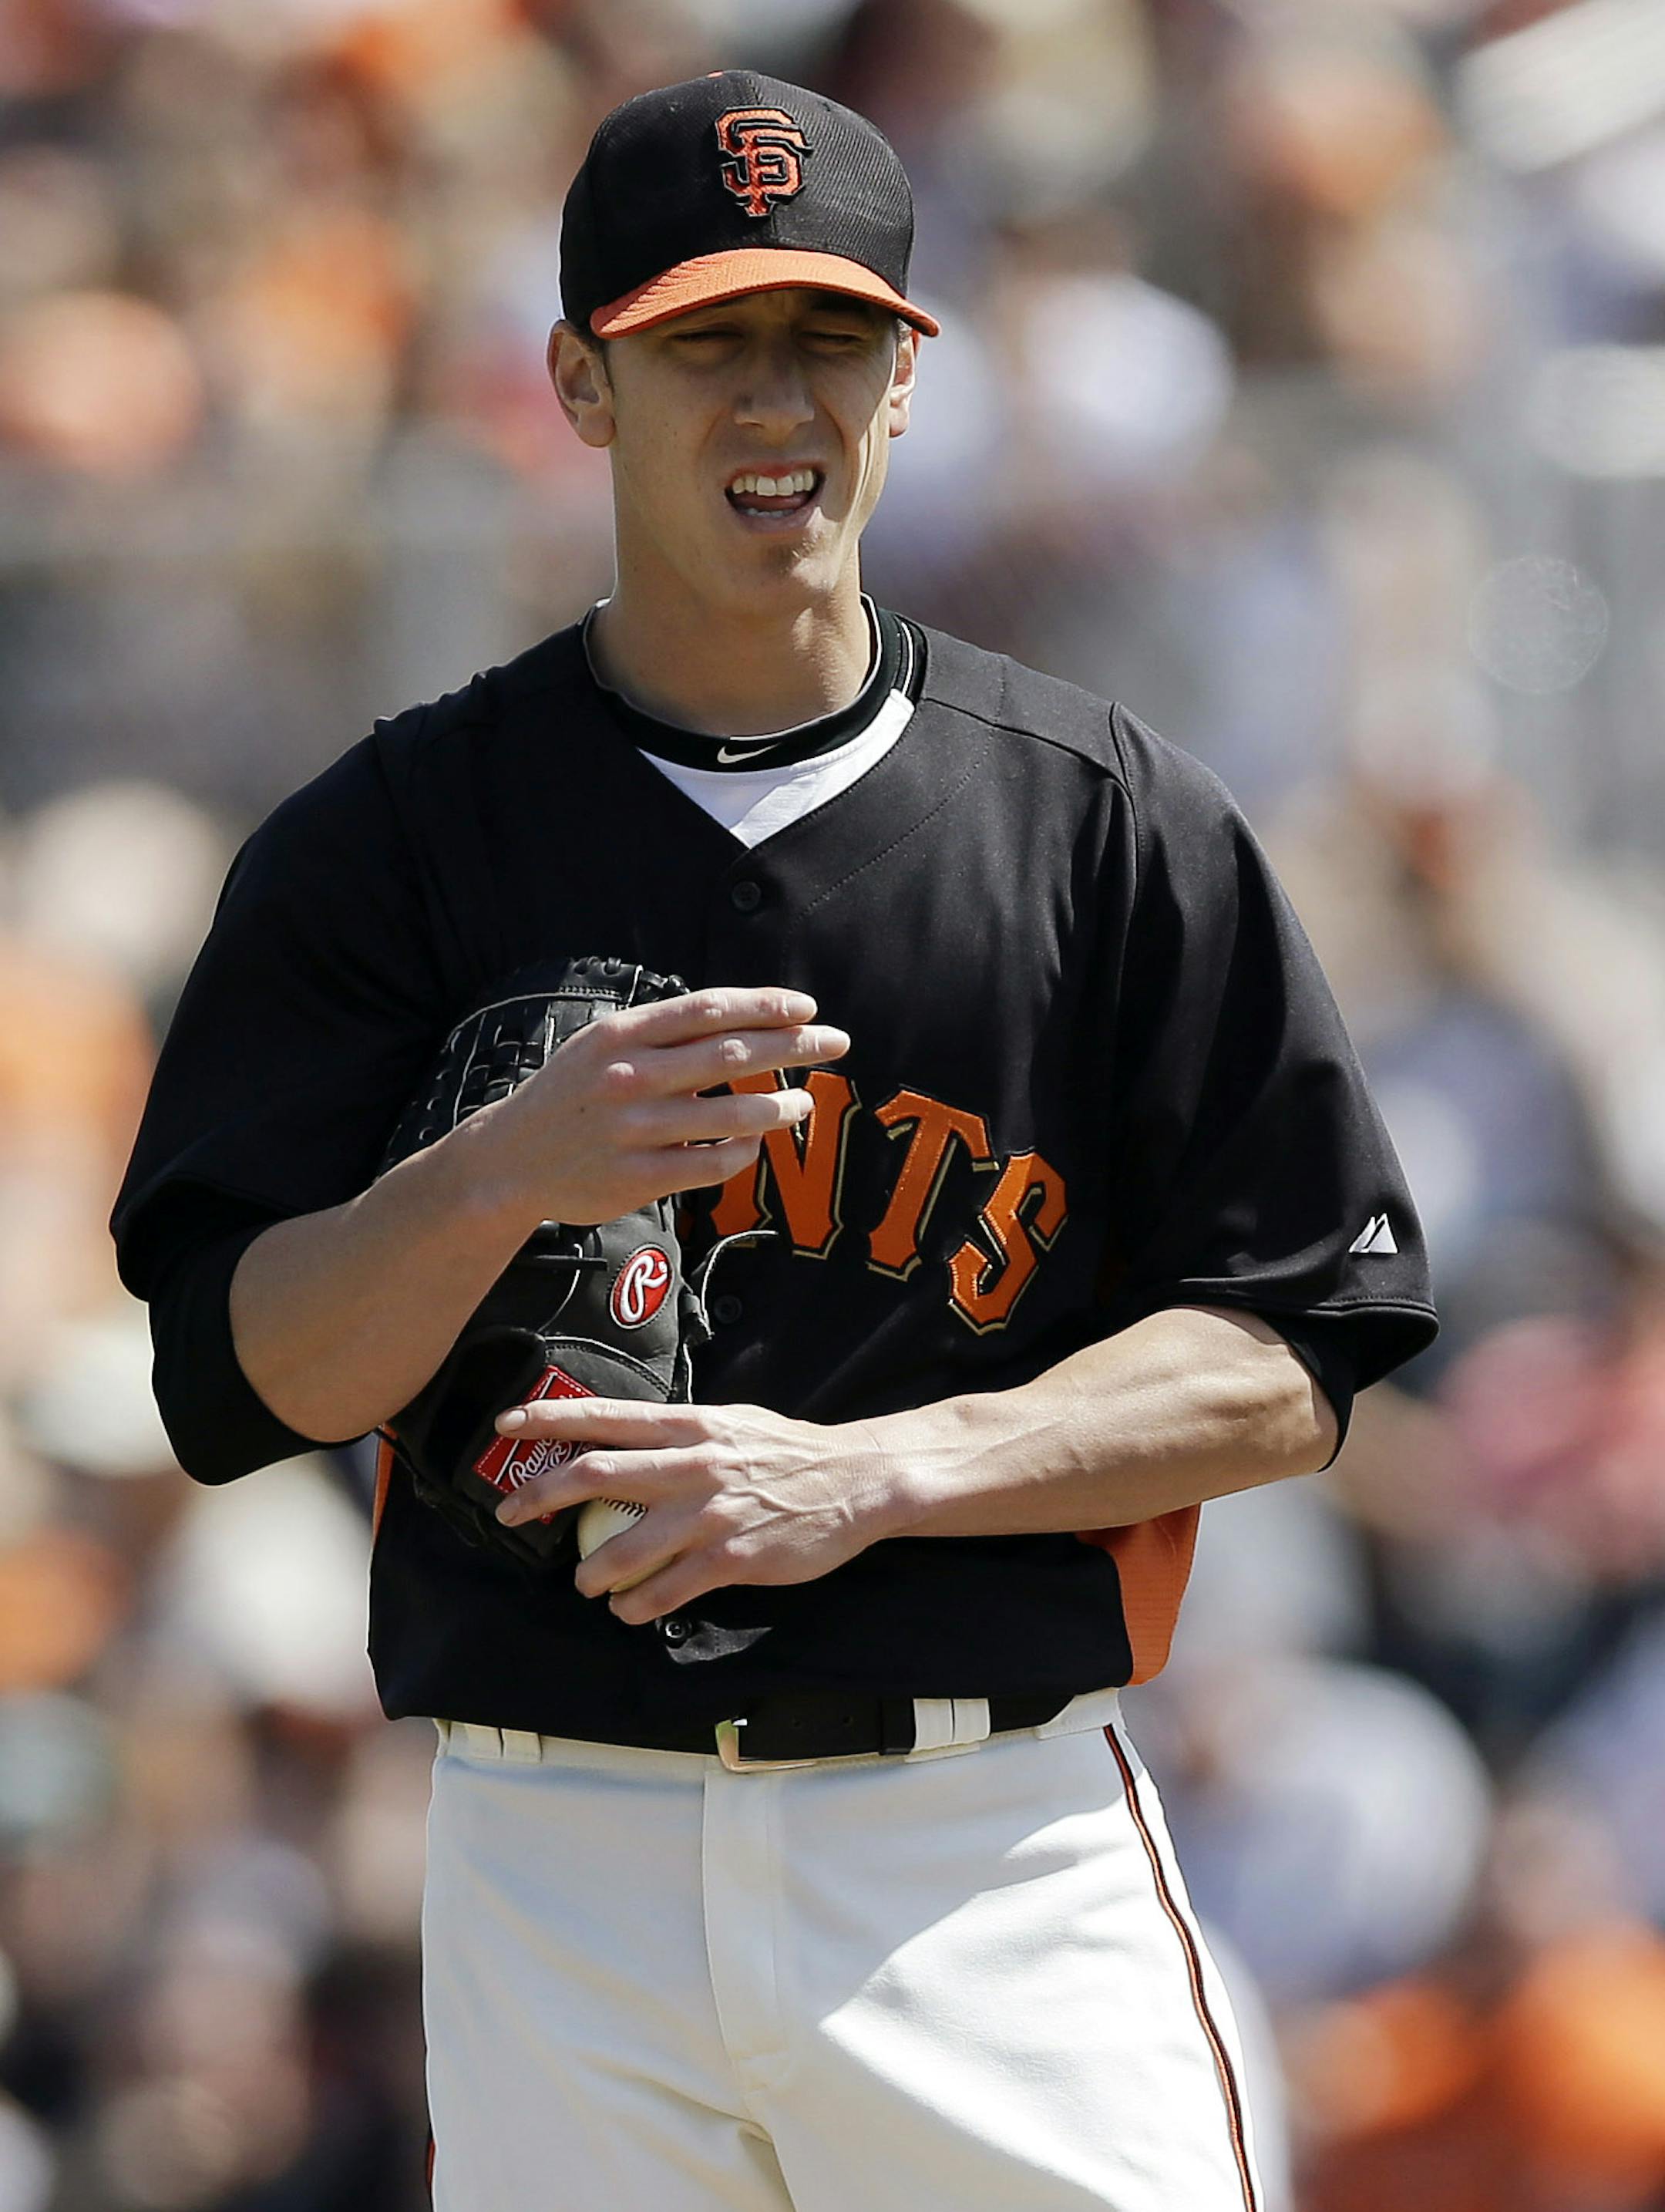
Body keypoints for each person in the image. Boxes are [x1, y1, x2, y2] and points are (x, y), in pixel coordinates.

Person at [111, 68, 1438, 2212]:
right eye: (707, 343)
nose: (777, 405)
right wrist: (496, 1176)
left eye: (830, 339)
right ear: (578, 380)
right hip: (561, 1853)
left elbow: (1292, 1361)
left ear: (910, 379)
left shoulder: (1106, 825)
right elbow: (234, 1379)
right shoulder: (397, 841)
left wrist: (873, 1477)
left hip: (980, 1846)